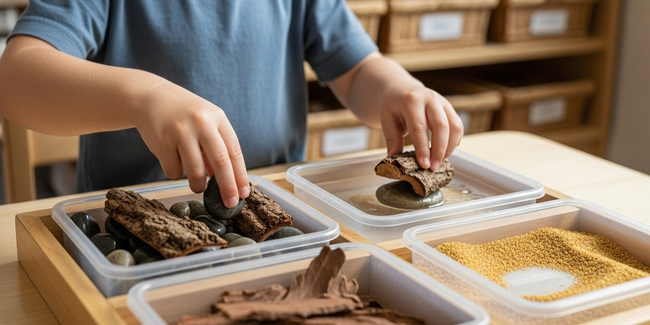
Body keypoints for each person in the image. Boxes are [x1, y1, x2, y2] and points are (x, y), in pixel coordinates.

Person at [0, 0, 463, 208]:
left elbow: (358, 70)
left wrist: (396, 89)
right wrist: (145, 98)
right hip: (135, 219)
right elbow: (17, 78)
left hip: (277, 211)